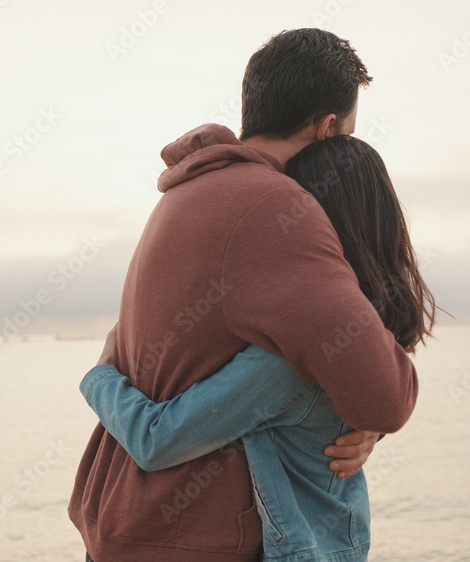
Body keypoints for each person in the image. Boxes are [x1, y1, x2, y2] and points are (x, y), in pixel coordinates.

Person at [68, 28, 420, 562]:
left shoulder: (185, 194)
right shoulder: (275, 209)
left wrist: (356, 417)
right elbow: (384, 394)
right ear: (329, 128)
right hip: (193, 538)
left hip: (129, 524)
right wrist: (366, 411)